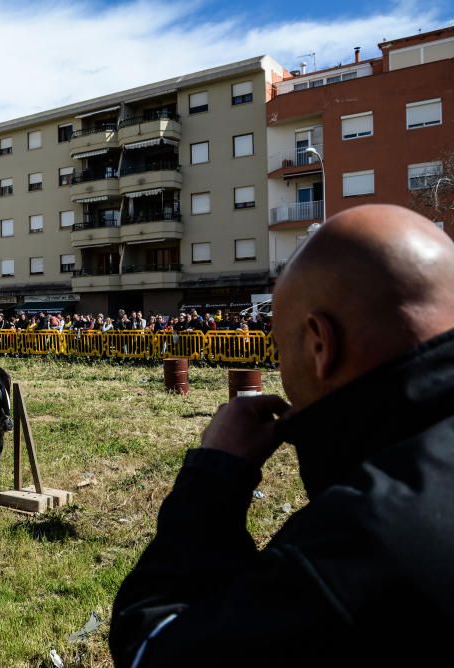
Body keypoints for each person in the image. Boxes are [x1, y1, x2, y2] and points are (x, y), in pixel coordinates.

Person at [109, 204, 454, 667]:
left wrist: (214, 477)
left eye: (279, 347)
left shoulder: (354, 547)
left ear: (319, 344)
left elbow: (152, 645)